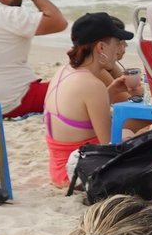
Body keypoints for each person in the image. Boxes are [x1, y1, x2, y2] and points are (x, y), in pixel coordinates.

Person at [42, 12, 145, 187]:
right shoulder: (92, 84)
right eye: (116, 43)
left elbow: (80, 111)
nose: (118, 50)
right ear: (101, 48)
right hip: (77, 172)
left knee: (134, 127)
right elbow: (109, 146)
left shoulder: (65, 71)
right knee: (145, 132)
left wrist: (110, 92)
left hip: (59, 167)